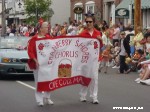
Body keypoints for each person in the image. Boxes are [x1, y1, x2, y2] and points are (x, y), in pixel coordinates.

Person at [79, 11, 103, 104]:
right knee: (85, 77)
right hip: (85, 59)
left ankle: (94, 96)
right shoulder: (82, 34)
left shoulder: (98, 33)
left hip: (95, 59)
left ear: (93, 23)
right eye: (87, 22)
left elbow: (100, 46)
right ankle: (83, 95)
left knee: (94, 78)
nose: (88, 23)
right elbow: (78, 46)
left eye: (90, 22)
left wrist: (100, 40)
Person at [27, 21, 54, 107]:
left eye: (47, 27)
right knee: (38, 81)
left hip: (48, 64)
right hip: (38, 64)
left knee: (49, 80)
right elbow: (30, 51)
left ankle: (47, 97)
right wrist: (35, 61)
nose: (48, 28)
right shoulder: (34, 39)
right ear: (40, 28)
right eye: (46, 27)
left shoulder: (49, 38)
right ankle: (39, 100)